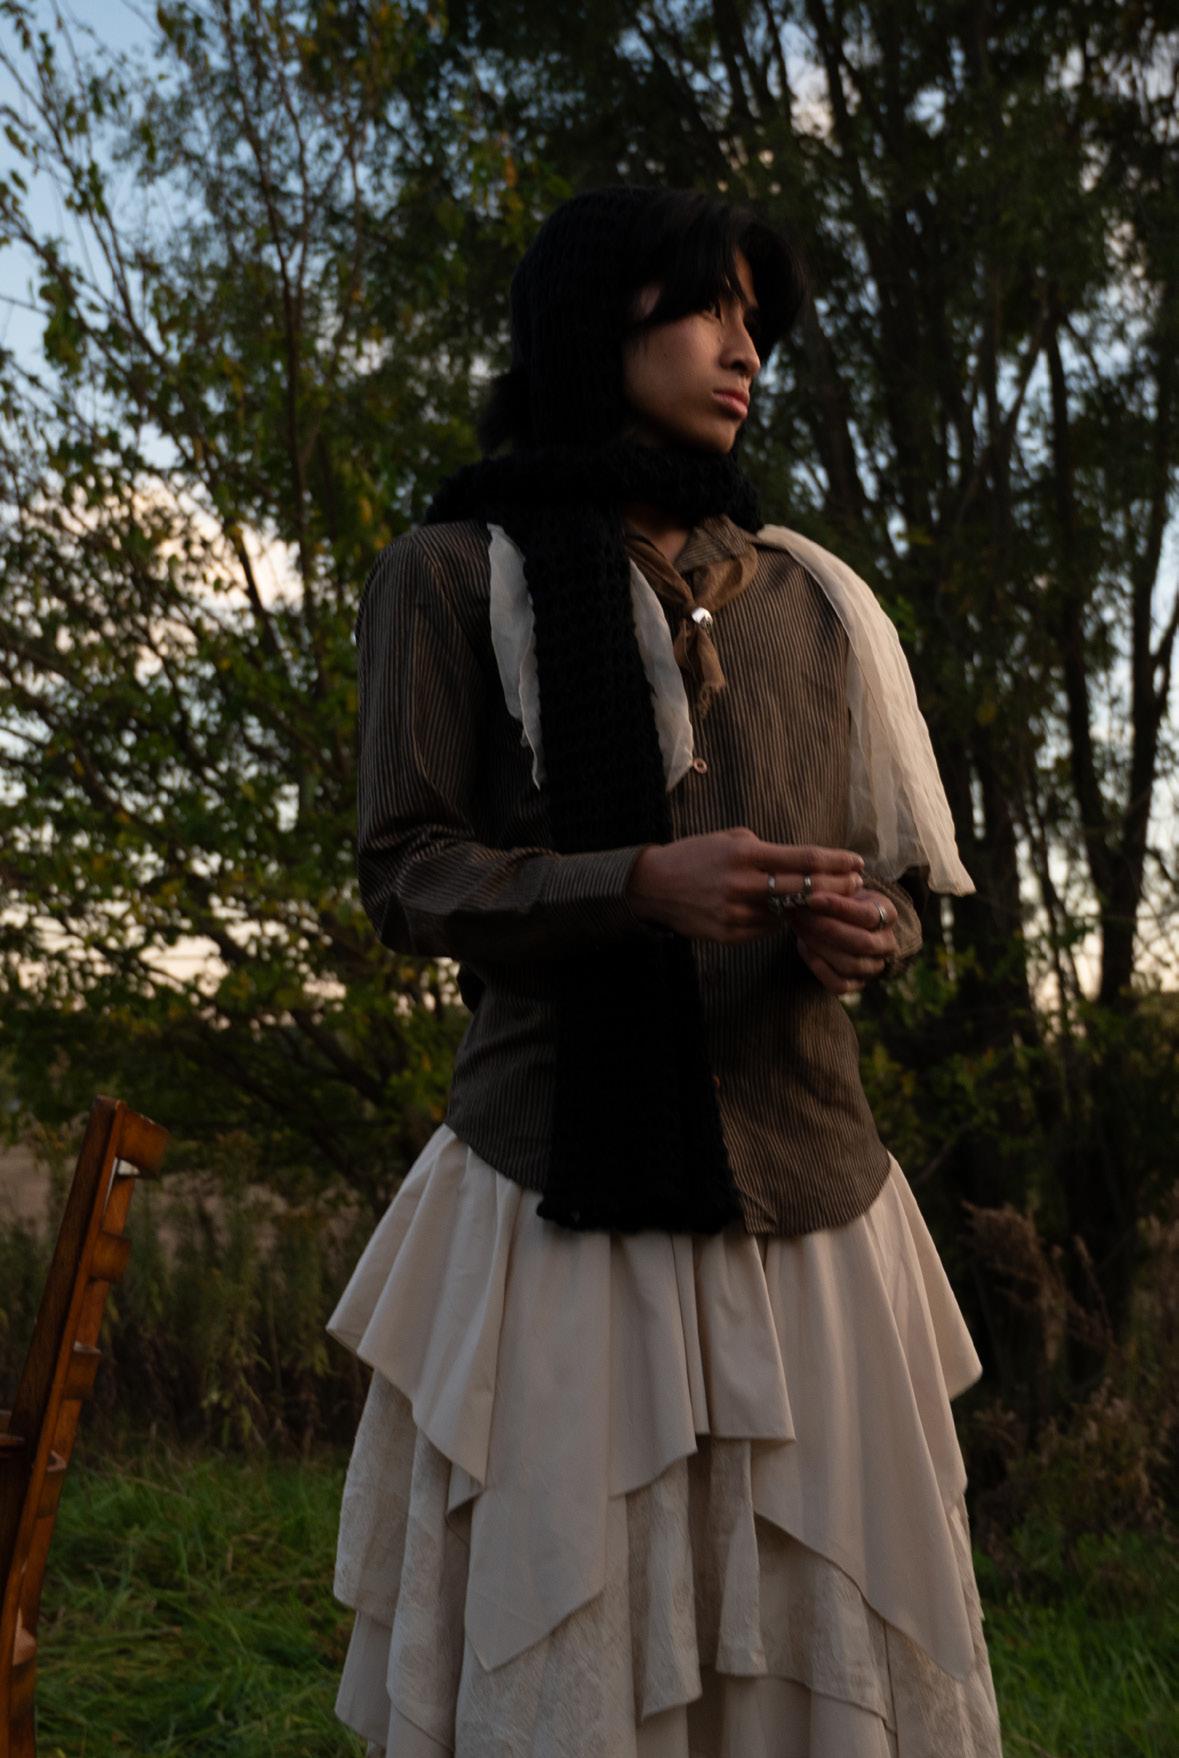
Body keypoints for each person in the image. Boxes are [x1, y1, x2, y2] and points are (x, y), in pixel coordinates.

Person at [326, 184, 1002, 1757]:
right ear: (591, 320)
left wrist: (865, 932)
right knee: (576, 1658)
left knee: (812, 1682)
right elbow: (406, 870)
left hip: (811, 1207)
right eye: (706, 306)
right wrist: (633, 882)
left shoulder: (816, 600)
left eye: (757, 320)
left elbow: (895, 885)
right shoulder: (452, 572)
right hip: (561, 1203)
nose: (744, 348)